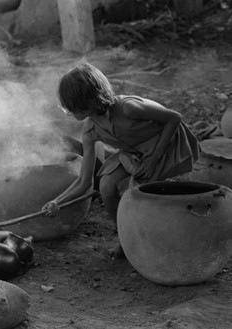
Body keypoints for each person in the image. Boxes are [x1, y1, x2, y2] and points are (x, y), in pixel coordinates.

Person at [42, 62, 200, 259]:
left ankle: (152, 241)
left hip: (163, 145)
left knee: (136, 194)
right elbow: (85, 181)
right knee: (106, 186)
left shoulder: (128, 109)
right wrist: (57, 201)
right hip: (133, 151)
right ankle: (126, 237)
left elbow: (174, 118)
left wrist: (153, 158)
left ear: (90, 100)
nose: (71, 113)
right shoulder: (90, 131)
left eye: (73, 108)